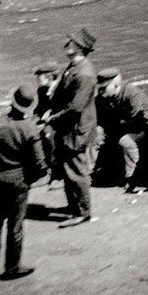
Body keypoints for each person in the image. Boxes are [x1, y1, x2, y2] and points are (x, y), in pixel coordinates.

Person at [0, 85, 48, 279]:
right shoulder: (30, 129)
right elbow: (40, 165)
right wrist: (29, 179)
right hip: (18, 183)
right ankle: (12, 267)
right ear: (30, 107)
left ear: (12, 101)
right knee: (15, 226)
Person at [47, 28, 98, 227]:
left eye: (71, 42)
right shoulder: (74, 67)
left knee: (76, 171)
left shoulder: (84, 74)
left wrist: (53, 118)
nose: (66, 44)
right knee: (69, 169)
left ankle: (83, 212)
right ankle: (74, 207)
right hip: (68, 127)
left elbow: (76, 108)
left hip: (76, 129)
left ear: (78, 48)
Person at [94, 68, 148, 191]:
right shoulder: (103, 98)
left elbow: (136, 120)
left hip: (147, 126)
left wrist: (113, 130)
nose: (100, 92)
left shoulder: (131, 93)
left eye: (104, 88)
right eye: (100, 88)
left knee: (124, 141)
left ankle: (132, 177)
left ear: (115, 85)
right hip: (125, 126)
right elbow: (100, 119)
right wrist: (100, 132)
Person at [33, 61, 62, 173]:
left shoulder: (61, 89)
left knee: (47, 133)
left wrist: (47, 119)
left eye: (39, 77)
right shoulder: (42, 90)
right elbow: (40, 109)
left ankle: (54, 168)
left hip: (59, 121)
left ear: (49, 77)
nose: (37, 80)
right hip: (47, 119)